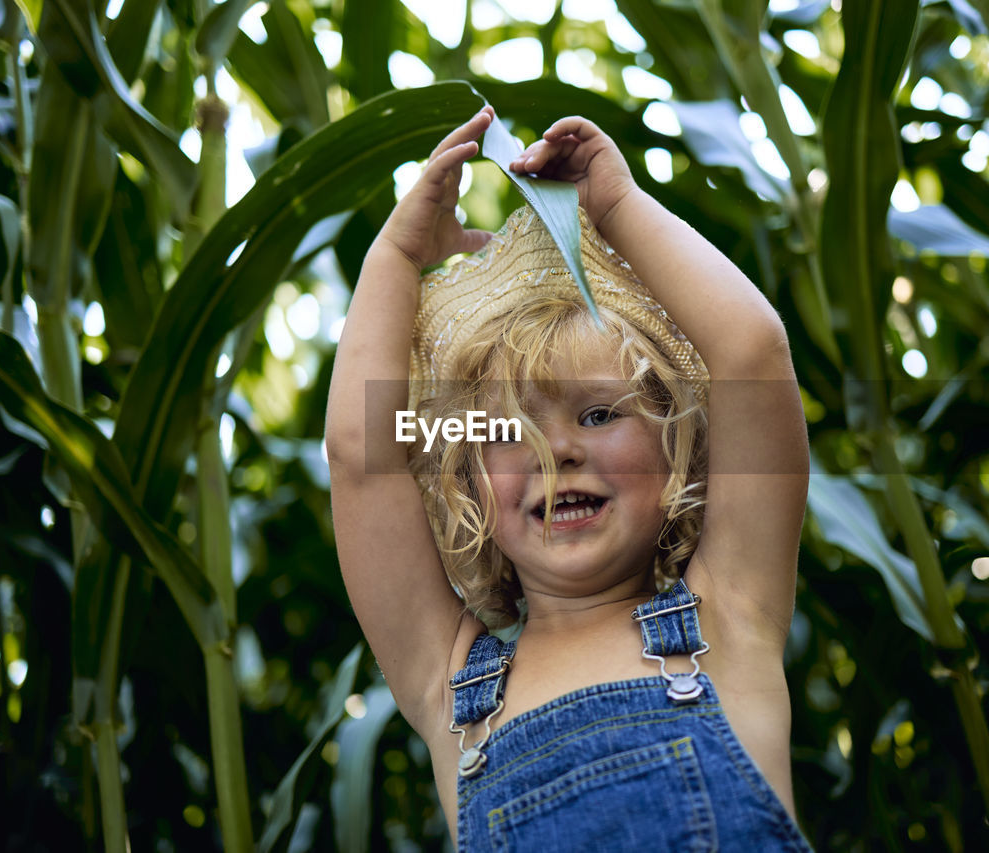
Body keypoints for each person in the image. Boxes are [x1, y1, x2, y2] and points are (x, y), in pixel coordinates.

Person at [326, 104, 812, 850]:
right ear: (470, 483)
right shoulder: (447, 680)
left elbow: (750, 354)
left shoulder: (730, 615)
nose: (556, 451)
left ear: (675, 447)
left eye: (597, 416)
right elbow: (366, 457)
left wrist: (616, 208)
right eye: (509, 433)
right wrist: (395, 255)